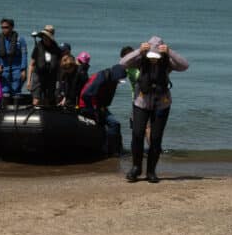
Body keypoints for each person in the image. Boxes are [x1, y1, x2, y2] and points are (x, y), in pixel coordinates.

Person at [119, 36, 189, 183]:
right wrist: (139, 50)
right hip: (141, 102)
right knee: (137, 134)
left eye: (156, 56)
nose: (153, 59)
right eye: (151, 55)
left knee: (155, 139)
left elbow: (185, 65)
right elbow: (123, 62)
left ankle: (151, 171)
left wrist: (170, 52)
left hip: (161, 104)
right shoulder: (141, 60)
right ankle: (136, 168)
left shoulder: (167, 62)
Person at [79, 63, 128, 154]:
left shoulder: (112, 79)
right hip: (87, 105)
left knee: (116, 124)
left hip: (99, 106)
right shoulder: (101, 78)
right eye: (119, 80)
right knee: (114, 123)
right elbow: (86, 95)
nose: (118, 82)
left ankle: (117, 149)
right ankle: (111, 150)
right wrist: (94, 110)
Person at [26, 25, 62, 106]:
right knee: (36, 100)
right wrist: (28, 81)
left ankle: (47, 117)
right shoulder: (38, 47)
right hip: (38, 76)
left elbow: (59, 68)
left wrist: (59, 82)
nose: (45, 38)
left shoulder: (56, 49)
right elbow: (31, 65)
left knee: (47, 100)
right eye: (43, 36)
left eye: (47, 36)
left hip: (51, 77)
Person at [0, 18, 28, 97]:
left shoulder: (20, 40)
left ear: (12, 27)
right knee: (5, 93)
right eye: (2, 27)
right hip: (3, 69)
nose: (4, 29)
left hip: (17, 69)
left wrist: (23, 70)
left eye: (6, 27)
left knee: (16, 92)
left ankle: (17, 107)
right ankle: (4, 107)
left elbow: (24, 55)